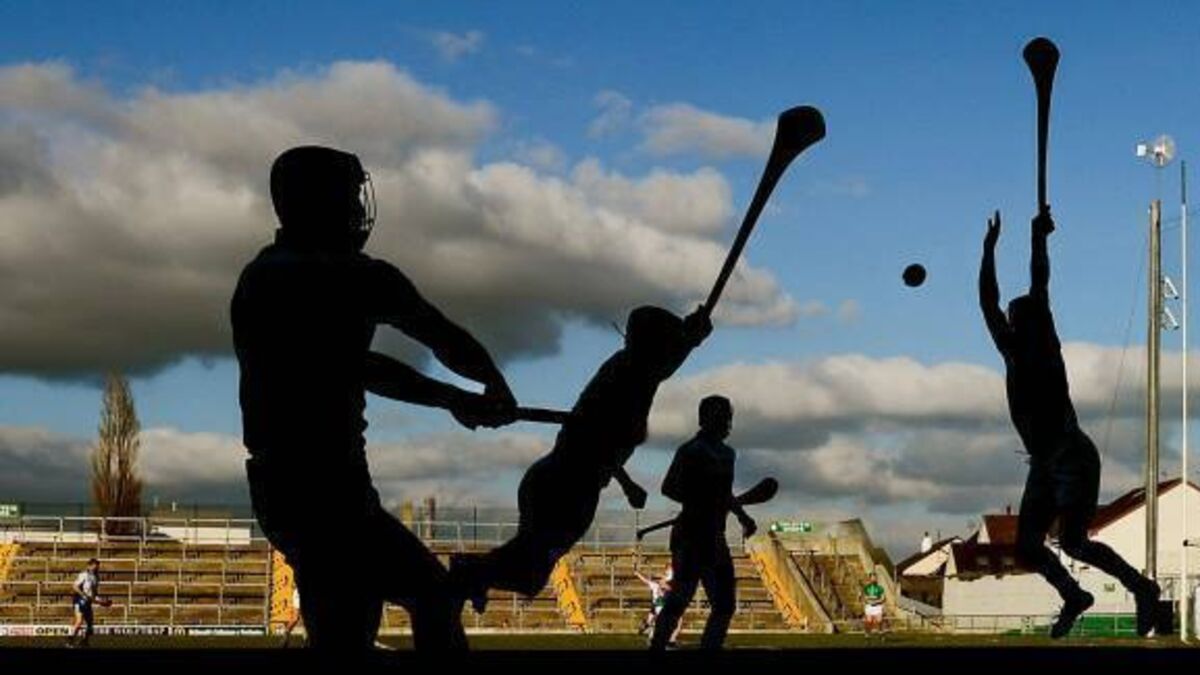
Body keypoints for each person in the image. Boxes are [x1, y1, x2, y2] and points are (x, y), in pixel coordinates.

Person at [232, 145, 517, 652]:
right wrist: (468, 392)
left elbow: (432, 337)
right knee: (427, 599)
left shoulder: (275, 274)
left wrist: (486, 384)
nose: (356, 209)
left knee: (356, 625)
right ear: (317, 201)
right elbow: (363, 362)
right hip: (315, 487)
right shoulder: (311, 276)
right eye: (346, 196)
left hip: (309, 485)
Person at [449, 305, 712, 611]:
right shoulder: (630, 373)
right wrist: (690, 339)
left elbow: (656, 373)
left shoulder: (628, 370)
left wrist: (690, 339)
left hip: (560, 481)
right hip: (568, 487)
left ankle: (473, 574)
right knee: (528, 573)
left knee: (528, 574)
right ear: (654, 343)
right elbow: (655, 372)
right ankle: (468, 574)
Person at [979, 209, 1160, 638]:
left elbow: (1035, 282)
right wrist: (993, 249)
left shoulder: (1042, 342)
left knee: (1074, 542)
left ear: (1029, 321)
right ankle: (1074, 595)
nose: (1007, 319)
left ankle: (1141, 587)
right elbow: (990, 301)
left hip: (1071, 454)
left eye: (1014, 315)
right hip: (1045, 460)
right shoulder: (1013, 348)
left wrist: (1034, 239)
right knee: (1027, 546)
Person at [649, 395, 755, 651]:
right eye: (721, 416)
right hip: (690, 535)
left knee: (725, 604)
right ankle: (657, 648)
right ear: (704, 418)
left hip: (715, 536)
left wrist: (742, 516)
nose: (726, 422)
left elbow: (725, 493)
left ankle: (710, 649)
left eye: (727, 417)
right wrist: (700, 499)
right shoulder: (691, 450)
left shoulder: (728, 454)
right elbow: (668, 487)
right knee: (679, 600)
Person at [66, 558, 102, 648]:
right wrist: (83, 595)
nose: (95, 568)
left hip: (88, 602)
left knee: (90, 624)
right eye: (94, 566)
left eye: (97, 566)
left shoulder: (96, 577)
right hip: (79, 600)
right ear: (89, 566)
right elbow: (75, 586)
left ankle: (84, 641)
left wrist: (101, 601)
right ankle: (70, 641)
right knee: (79, 621)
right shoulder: (83, 575)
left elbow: (94, 593)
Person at [635, 564, 672, 637]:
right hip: (656, 604)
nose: (661, 579)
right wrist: (638, 574)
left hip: (660, 603)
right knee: (649, 621)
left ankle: (653, 632)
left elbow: (669, 587)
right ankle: (647, 628)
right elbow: (645, 581)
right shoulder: (655, 585)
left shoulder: (667, 584)